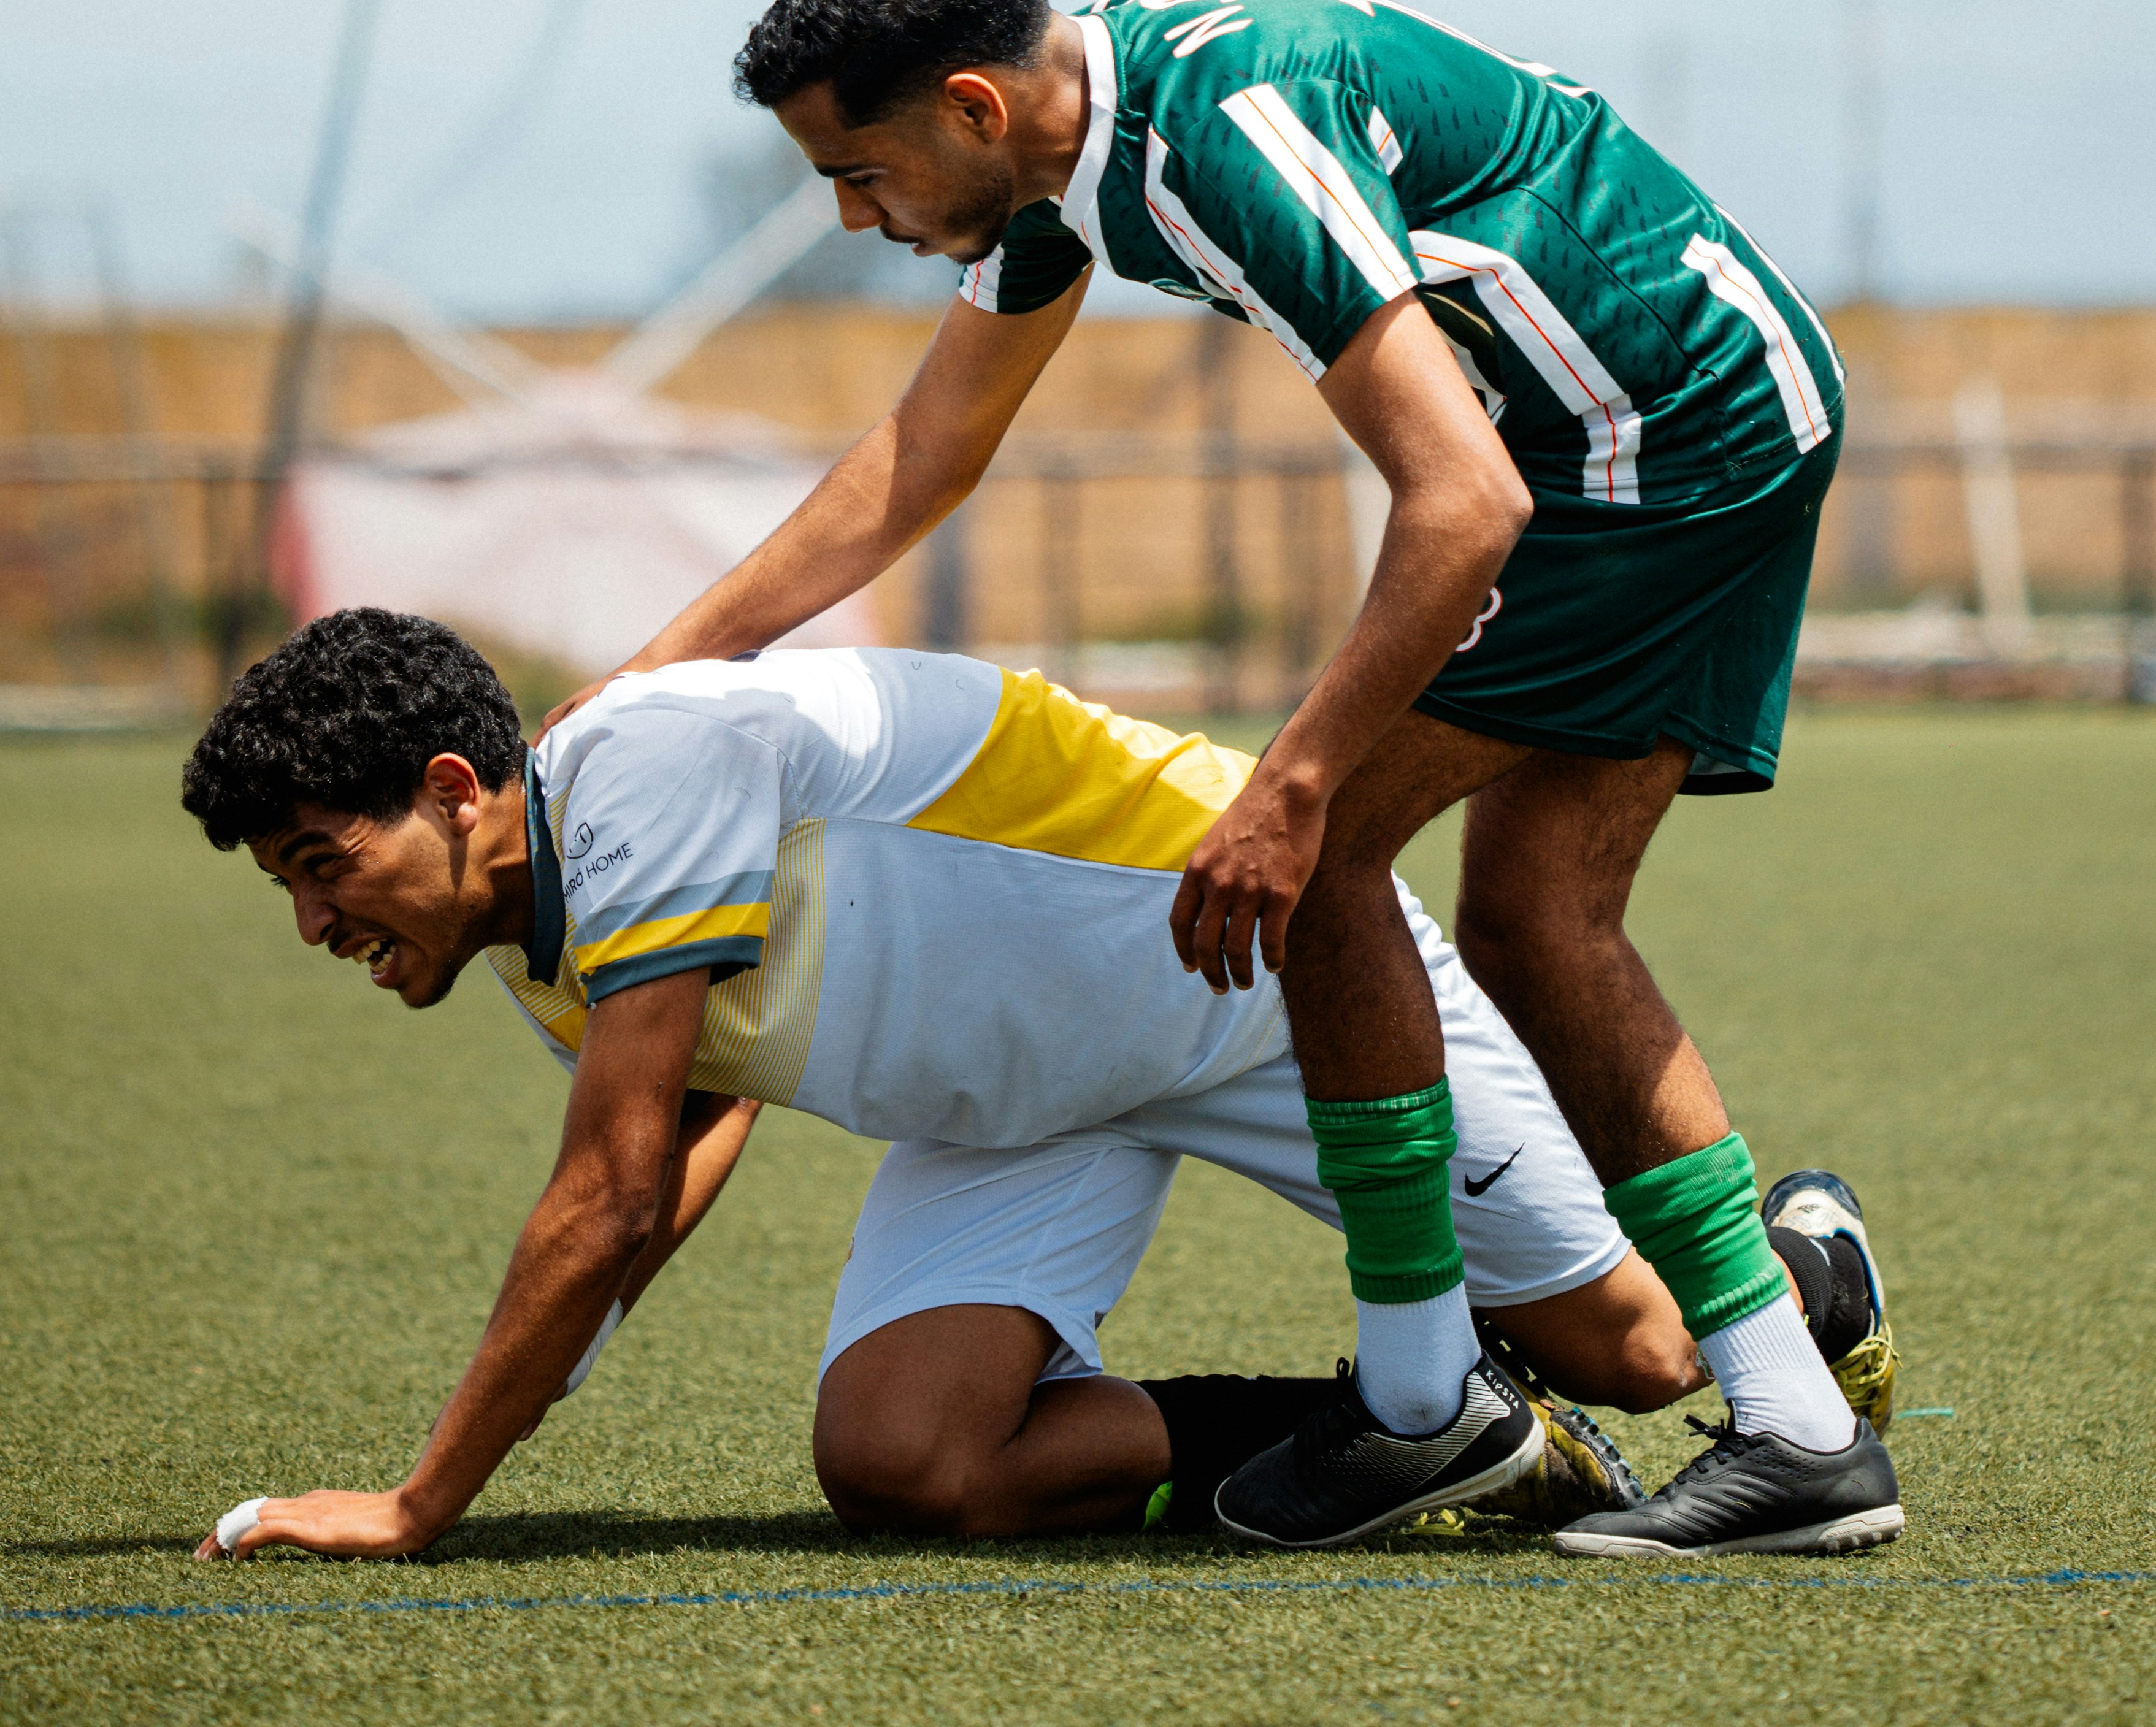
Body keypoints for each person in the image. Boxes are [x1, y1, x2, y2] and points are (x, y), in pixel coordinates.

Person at [549, 0, 1901, 1557]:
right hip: (1685, 408)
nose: (849, 214)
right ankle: (1786, 1380)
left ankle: (1447, 1408)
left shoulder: (1218, 142)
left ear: (972, 106)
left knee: (1321, 862)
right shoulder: (1066, 166)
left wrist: (1294, 784)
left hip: (1658, 439)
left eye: (860, 169)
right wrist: (653, 679)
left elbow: (1464, 500)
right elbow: (922, 455)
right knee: (1537, 920)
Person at [180, 612, 1897, 1564]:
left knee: (1647, 1356)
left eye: (325, 865)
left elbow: (612, 1190)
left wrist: (422, 1503)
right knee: (904, 1464)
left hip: (1260, 977)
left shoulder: (634, 779)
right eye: (289, 891)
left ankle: (1813, 1269)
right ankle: (1448, 1433)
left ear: (458, 789)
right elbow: (687, 1134)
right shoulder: (545, 934)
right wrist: (565, 1352)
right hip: (1019, 1119)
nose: (319, 923)